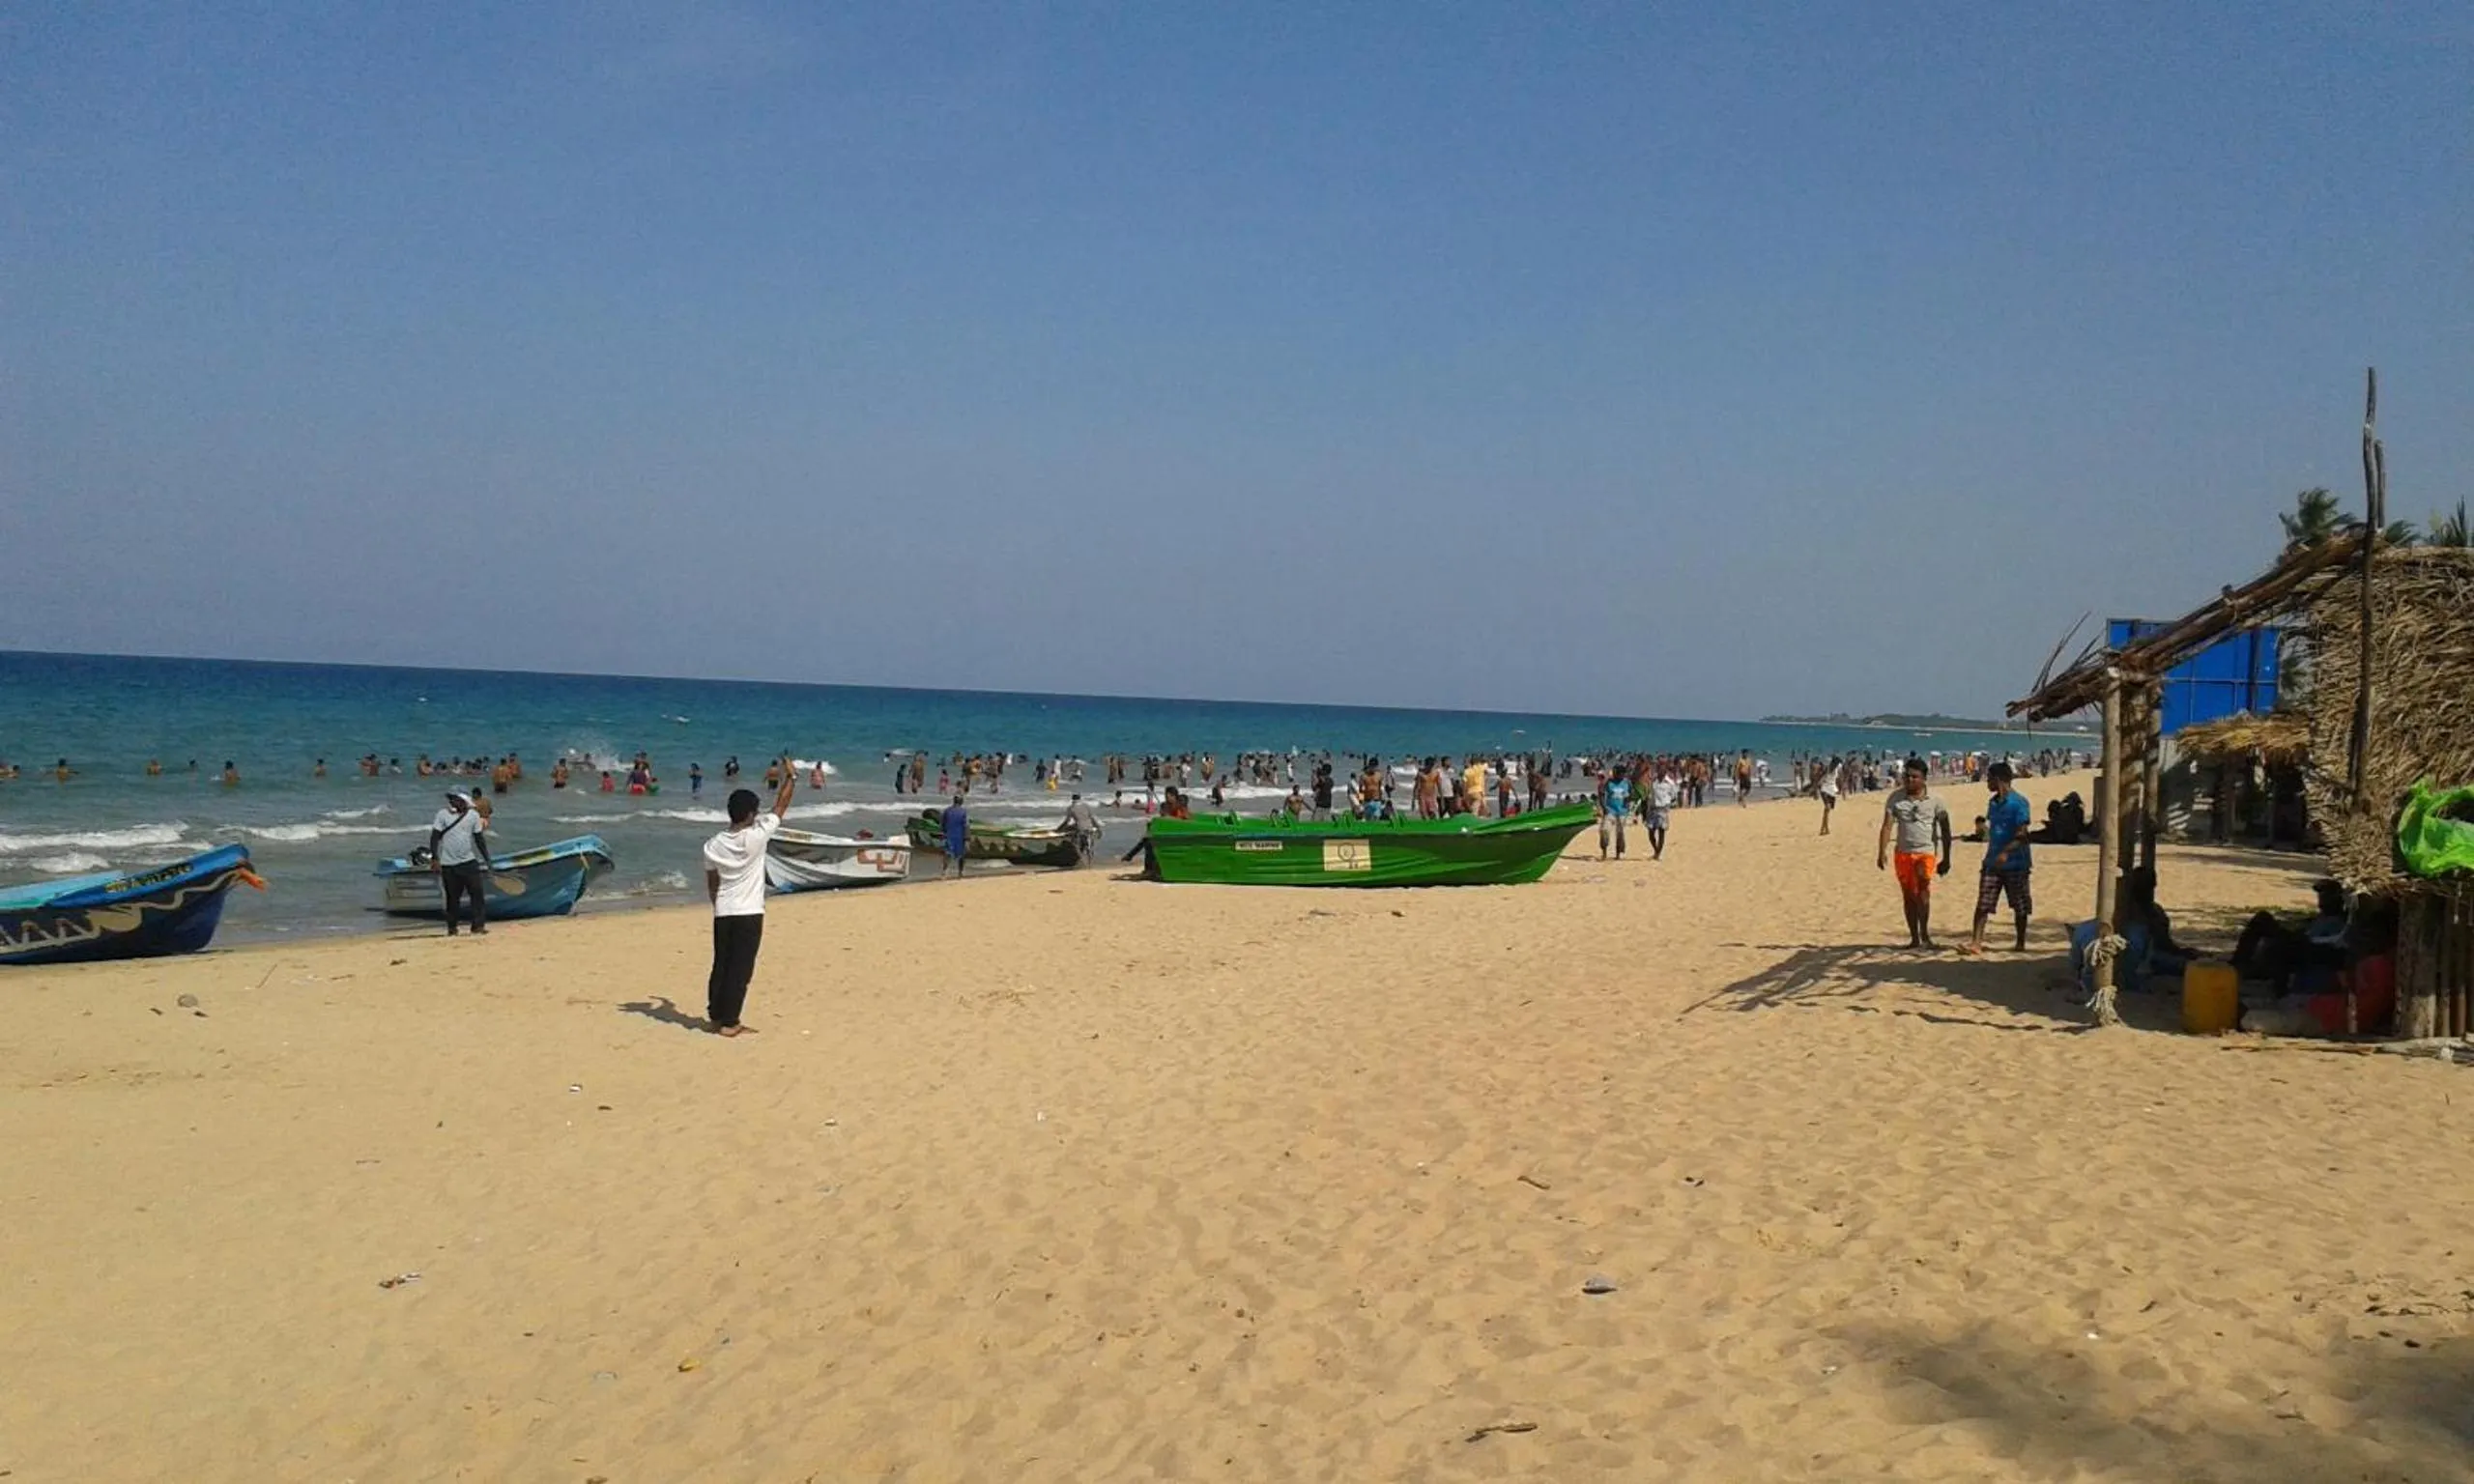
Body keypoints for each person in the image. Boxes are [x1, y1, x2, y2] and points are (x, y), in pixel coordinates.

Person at [701, 761, 797, 1037]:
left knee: (721, 964)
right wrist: (792, 777)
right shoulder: (755, 837)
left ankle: (716, 1015)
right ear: (751, 814)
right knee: (740, 969)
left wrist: (716, 904)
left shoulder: (712, 845)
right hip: (749, 911)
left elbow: (712, 881)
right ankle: (731, 1022)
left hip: (724, 910)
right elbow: (781, 806)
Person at [1877, 757, 1953, 949]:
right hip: (1903, 853)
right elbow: (1887, 826)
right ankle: (1914, 938)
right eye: (1907, 776)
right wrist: (1881, 851)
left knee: (1923, 891)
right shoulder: (1895, 798)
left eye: (1914, 777)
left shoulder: (1936, 800)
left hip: (1926, 852)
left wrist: (1947, 858)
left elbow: (1945, 830)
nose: (1910, 780)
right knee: (1909, 895)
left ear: (1924, 778)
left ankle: (1925, 934)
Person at [1967, 761, 2032, 954]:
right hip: (1992, 862)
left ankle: (2020, 943)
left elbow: (2022, 834)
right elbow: (1994, 829)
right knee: (1983, 902)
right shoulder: (1993, 803)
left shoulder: (2019, 803)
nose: (1987, 782)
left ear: (1999, 779)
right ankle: (1976, 942)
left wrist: (2006, 852)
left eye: (1989, 779)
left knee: (2019, 904)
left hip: (2016, 862)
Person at [428, 790, 494, 937]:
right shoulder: (442, 815)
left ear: (464, 801)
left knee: (477, 894)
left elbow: (479, 839)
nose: (452, 802)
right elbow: (435, 837)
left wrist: (487, 859)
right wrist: (435, 858)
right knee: (452, 898)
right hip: (448, 864)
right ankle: (452, 928)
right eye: (450, 799)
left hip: (468, 862)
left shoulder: (473, 816)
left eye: (455, 799)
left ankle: (478, 926)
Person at [1597, 765, 1632, 861]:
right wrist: (1604, 807)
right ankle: (1604, 852)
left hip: (1622, 812)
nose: (1621, 776)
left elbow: (1631, 794)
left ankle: (1618, 854)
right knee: (1604, 830)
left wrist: (1628, 803)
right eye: (1619, 774)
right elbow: (1601, 794)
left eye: (1622, 774)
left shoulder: (1627, 783)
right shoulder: (1608, 782)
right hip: (1610, 810)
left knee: (1620, 833)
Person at [1647, 768, 1679, 860]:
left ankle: (1658, 853)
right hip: (1652, 809)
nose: (1660, 773)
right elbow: (1649, 793)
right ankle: (1656, 849)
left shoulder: (1670, 783)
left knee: (1661, 832)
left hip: (1663, 810)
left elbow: (1674, 795)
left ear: (1665, 773)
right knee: (1651, 832)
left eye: (1662, 772)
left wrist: (1667, 802)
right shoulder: (1653, 781)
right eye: (1659, 771)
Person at [940, 793, 970, 877]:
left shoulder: (947, 811)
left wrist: (943, 834)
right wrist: (967, 839)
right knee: (961, 855)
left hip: (949, 835)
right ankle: (961, 872)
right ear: (961, 802)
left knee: (947, 854)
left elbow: (942, 824)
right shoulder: (963, 812)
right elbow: (966, 826)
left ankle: (944, 871)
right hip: (960, 836)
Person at [1818, 760, 1841, 836]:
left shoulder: (1836, 770)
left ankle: (1823, 828)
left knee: (1827, 810)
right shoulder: (1826, 769)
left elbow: (1838, 779)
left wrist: (1840, 789)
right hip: (1825, 789)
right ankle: (1825, 828)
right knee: (1827, 808)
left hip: (1832, 789)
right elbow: (1820, 778)